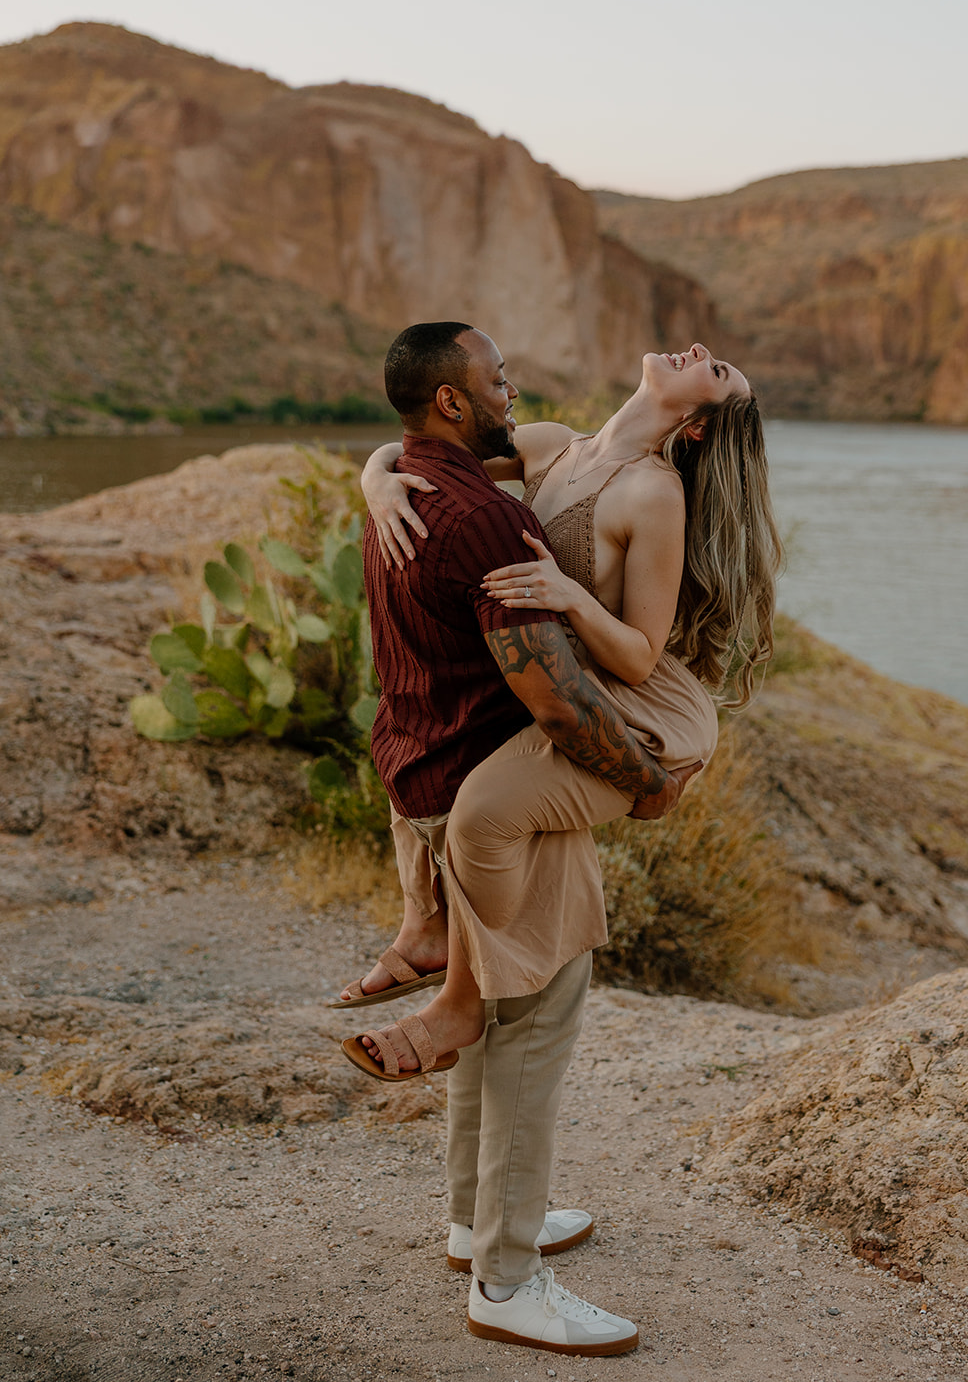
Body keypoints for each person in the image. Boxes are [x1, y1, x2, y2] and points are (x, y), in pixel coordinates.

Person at [344, 321, 702, 1358]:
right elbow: (552, 699)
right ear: (452, 403)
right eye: (496, 378)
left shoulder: (405, 487)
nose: (514, 387)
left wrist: (369, 471)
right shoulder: (487, 523)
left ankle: (474, 1222)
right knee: (530, 1024)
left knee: (491, 1019)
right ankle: (507, 1278)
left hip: (418, 776)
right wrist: (646, 786)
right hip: (484, 794)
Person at [342, 338, 780, 1034]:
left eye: (716, 369)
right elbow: (437, 454)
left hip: (636, 702)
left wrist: (570, 597)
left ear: (696, 425)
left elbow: (638, 655)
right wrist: (374, 478)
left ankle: (459, 998)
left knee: (481, 815)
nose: (699, 349)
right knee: (414, 743)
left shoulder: (654, 494)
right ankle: (421, 929)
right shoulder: (548, 444)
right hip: (558, 678)